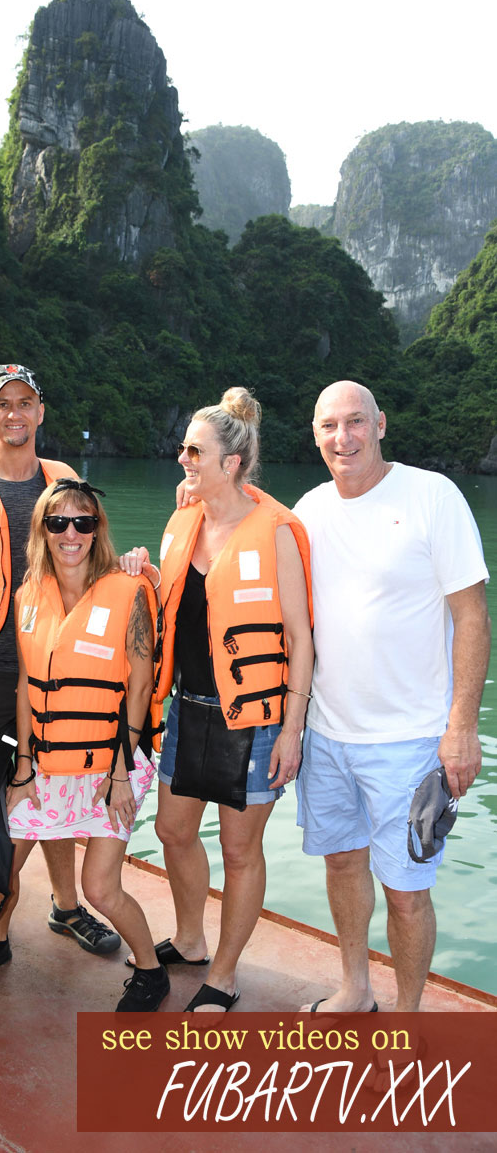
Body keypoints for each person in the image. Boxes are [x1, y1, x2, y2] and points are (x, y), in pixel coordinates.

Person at [294, 380, 490, 1014]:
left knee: (407, 891)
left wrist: (462, 727)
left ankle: (404, 1019)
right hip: (327, 735)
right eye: (329, 426)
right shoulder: (310, 510)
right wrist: (197, 498)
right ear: (316, 433)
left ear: (380, 424)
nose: (342, 437)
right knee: (343, 866)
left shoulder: (433, 495)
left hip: (409, 741)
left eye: (355, 422)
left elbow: (472, 616)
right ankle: (355, 986)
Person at [121, 388, 314, 1013]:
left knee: (239, 849)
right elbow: (178, 609)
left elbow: (299, 638)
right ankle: (192, 937)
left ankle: (225, 974)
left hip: (255, 720)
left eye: (194, 451)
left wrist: (292, 729)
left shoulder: (276, 531)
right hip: (189, 707)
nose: (184, 460)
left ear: (230, 462)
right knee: (173, 830)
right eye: (183, 449)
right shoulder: (183, 521)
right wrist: (143, 573)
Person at [0, 479, 168, 1008]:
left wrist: (120, 772)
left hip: (109, 768)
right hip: (44, 765)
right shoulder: (28, 596)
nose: (71, 533)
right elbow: (26, 687)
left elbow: (138, 687)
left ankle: (151, 971)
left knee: (100, 889)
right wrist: (23, 766)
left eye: (83, 522)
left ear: (97, 529)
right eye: (58, 522)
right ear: (42, 529)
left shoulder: (129, 590)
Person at [0, 363, 121, 965]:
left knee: (56, 786)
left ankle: (65, 907)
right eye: (1, 404)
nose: (14, 413)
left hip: (55, 668)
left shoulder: (66, 483)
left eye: (25, 403)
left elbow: (99, 559)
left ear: (40, 412)